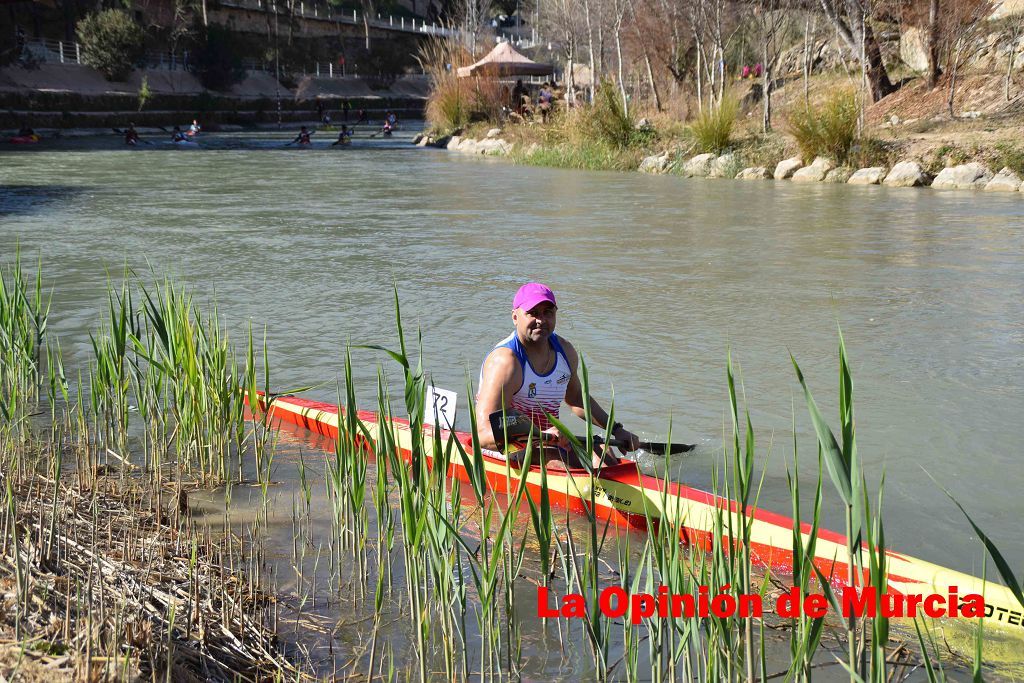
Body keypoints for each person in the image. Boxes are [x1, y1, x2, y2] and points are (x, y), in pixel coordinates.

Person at [475, 283, 640, 470]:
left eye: (548, 313)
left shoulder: (565, 352)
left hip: (549, 441)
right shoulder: (505, 362)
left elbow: (577, 399)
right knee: (557, 460)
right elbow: (482, 434)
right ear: (515, 317)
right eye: (533, 313)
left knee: (604, 453)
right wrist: (539, 435)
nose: (541, 320)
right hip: (505, 447)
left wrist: (617, 430)